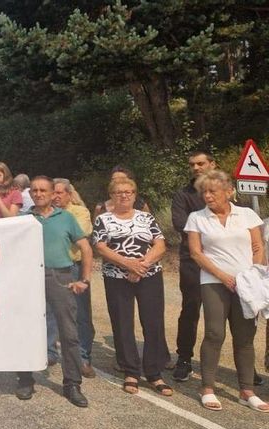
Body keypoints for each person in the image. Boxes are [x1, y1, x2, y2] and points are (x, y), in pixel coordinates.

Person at [184, 170, 269, 412]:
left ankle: (247, 391)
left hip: (246, 282)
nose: (208, 196)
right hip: (212, 281)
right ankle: (207, 387)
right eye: (204, 192)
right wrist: (222, 276)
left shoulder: (247, 214)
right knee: (214, 333)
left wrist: (251, 276)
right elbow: (196, 253)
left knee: (245, 337)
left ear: (228, 191)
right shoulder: (197, 218)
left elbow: (257, 246)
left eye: (213, 191)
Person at [17, 177, 91, 407]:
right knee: (27, 330)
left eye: (43, 190)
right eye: (35, 190)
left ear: (52, 194)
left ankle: (72, 384)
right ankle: (25, 379)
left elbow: (86, 248)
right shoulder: (21, 219)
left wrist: (84, 280)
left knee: (68, 332)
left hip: (61, 277)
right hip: (29, 279)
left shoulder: (67, 217)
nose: (39, 194)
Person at [93, 178, 171, 396]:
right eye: (118, 192)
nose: (124, 195)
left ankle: (154, 374)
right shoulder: (103, 220)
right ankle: (130, 371)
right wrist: (128, 264)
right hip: (117, 277)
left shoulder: (147, 218)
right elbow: (101, 247)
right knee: (122, 323)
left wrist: (141, 266)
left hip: (149, 275)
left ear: (135, 195)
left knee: (153, 323)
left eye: (128, 192)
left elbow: (160, 244)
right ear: (112, 195)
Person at [170, 151, 217, 382]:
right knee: (190, 311)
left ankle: (245, 367)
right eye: (192, 165)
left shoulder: (225, 192)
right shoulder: (182, 195)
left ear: (212, 164)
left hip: (224, 261)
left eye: (201, 163)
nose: (196, 168)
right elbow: (181, 224)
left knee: (229, 314)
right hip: (192, 262)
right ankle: (184, 359)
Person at [51, 179, 97, 377]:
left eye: (61, 193)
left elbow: (78, 233)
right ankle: (50, 352)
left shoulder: (80, 212)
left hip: (74, 268)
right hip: (52, 268)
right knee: (51, 312)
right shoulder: (44, 213)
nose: (56, 196)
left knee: (80, 314)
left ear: (70, 194)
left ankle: (84, 357)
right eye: (54, 193)